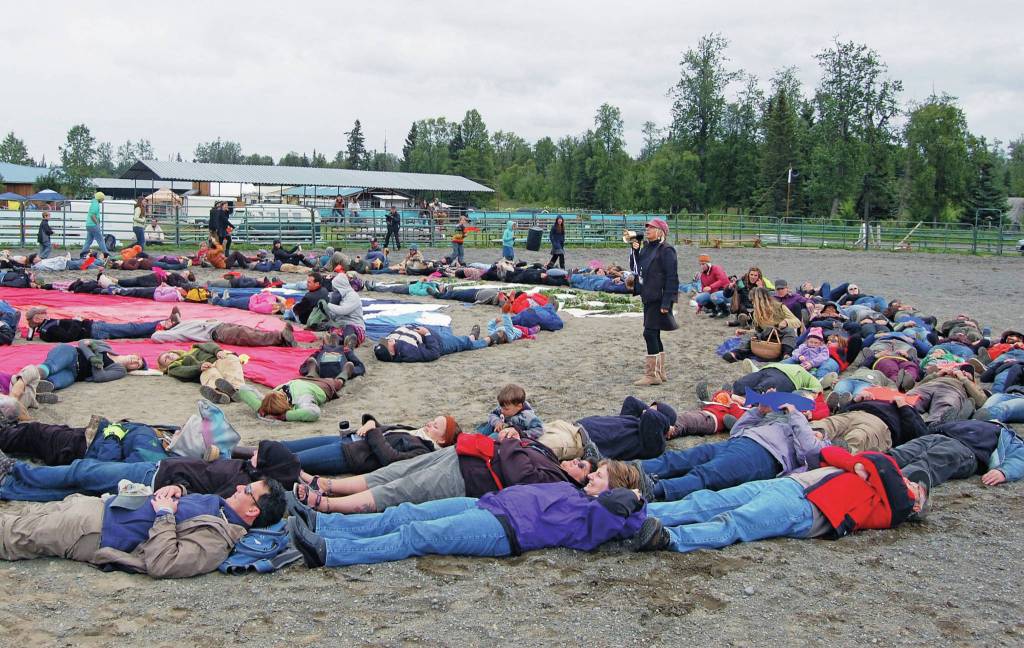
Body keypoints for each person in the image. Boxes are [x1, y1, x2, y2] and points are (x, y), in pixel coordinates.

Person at [288, 462, 646, 569]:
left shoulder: (598, 514)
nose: (591, 475)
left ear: (613, 489)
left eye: (600, 476)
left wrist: (632, 496)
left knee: (417, 535)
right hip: (485, 505)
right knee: (405, 512)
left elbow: (621, 513)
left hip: (502, 530)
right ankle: (325, 522)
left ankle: (331, 551)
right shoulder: (574, 492)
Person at [631, 447, 926, 554]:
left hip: (808, 509)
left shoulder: (894, 505)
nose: (912, 486)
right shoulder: (876, 477)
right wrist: (855, 464)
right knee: (708, 500)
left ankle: (669, 538)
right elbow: (826, 454)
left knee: (736, 523)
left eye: (918, 489)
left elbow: (881, 465)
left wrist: (860, 465)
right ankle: (637, 512)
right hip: (789, 485)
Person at [0, 478, 286, 578]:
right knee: (21, 516)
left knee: (12, 535)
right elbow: (188, 508)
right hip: (100, 507)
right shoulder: (219, 505)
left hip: (93, 530)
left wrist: (164, 514)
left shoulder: (219, 537)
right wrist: (178, 490)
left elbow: (165, 562)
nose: (239, 486)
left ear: (252, 510)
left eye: (247, 489)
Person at [292, 433, 596, 514]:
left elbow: (521, 477)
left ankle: (328, 505)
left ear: (579, 482)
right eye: (581, 461)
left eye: (582, 467)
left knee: (402, 489)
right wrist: (515, 440)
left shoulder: (558, 483)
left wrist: (513, 444)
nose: (576, 462)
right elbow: (520, 451)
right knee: (395, 472)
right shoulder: (553, 462)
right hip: (463, 454)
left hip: (468, 478)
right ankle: (328, 485)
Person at [640, 391, 825, 502]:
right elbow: (737, 430)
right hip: (738, 442)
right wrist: (759, 411)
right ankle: (631, 471)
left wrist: (795, 414)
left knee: (706, 475)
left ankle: (651, 491)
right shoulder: (783, 424)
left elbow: (809, 451)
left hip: (762, 456)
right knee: (682, 458)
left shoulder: (817, 443)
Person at [0, 438, 299, 502]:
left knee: (82, 471)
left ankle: (17, 471)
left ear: (267, 464)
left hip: (152, 478)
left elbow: (202, 494)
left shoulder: (238, 481)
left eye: (262, 453)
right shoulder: (245, 469)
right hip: (156, 470)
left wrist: (180, 486)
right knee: (80, 487)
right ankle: (10, 487)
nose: (254, 452)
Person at [285, 414, 460, 480]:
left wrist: (372, 430)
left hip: (350, 454)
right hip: (350, 439)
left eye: (435, 426)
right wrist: (371, 422)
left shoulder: (423, 451)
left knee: (292, 460)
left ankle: (257, 468)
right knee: (287, 447)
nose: (429, 424)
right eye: (432, 420)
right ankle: (257, 452)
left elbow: (390, 459)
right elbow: (385, 431)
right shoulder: (416, 432)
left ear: (443, 440)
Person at [888, 419, 1024, 488]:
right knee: (903, 452)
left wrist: (1003, 472)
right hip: (938, 436)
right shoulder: (969, 421)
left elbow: (1019, 457)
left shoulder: (1008, 435)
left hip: (967, 450)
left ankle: (893, 485)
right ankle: (871, 467)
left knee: (931, 461)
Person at [628, 219, 679, 386]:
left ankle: (652, 375)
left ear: (660, 231)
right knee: (654, 333)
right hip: (648, 295)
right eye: (647, 228)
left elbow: (672, 278)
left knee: (649, 333)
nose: (648, 230)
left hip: (659, 297)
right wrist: (635, 251)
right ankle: (660, 372)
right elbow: (637, 269)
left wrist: (667, 302)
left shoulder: (667, 250)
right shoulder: (647, 248)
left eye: (651, 227)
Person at [812, 393, 927, 453]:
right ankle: (804, 441)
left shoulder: (908, 408)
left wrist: (904, 407)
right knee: (825, 424)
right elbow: (841, 412)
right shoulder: (873, 396)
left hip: (879, 423)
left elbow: (919, 435)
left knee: (858, 437)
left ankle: (832, 457)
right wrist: (855, 400)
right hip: (854, 412)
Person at [576, 396, 678, 461]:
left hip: (581, 441)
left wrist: (666, 427)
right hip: (577, 427)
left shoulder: (654, 444)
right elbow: (631, 401)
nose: (644, 411)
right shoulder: (637, 422)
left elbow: (650, 416)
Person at [237, 371, 361, 422]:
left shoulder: (302, 399)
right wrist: (260, 408)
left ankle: (346, 372)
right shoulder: (271, 398)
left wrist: (284, 416)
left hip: (321, 386)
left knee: (338, 382)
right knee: (311, 373)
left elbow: (314, 413)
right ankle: (313, 368)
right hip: (301, 381)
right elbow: (244, 389)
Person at [20, 341, 146, 392]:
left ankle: (33, 390)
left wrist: (95, 357)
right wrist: (93, 358)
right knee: (51, 367)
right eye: (137, 359)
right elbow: (82, 343)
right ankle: (34, 374)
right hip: (71, 354)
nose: (134, 361)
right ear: (134, 354)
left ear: (133, 369)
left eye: (137, 365)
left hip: (74, 374)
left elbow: (100, 377)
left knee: (54, 384)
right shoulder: (107, 347)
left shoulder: (120, 370)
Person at [722, 287, 801, 363]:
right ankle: (736, 353)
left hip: (781, 337)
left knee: (789, 330)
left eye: (753, 301)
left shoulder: (780, 306)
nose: (752, 303)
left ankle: (786, 355)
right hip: (766, 337)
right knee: (751, 335)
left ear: (760, 300)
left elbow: (797, 322)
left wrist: (786, 322)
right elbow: (758, 330)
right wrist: (745, 331)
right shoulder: (757, 312)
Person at [24, 306, 180, 342]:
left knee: (131, 332)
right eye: (41, 313)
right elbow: (69, 337)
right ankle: (164, 323)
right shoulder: (48, 330)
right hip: (93, 330)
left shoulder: (46, 327)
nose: (45, 313)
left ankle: (161, 328)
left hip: (93, 328)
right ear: (37, 319)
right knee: (131, 328)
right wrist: (77, 322)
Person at [157, 343, 246, 405]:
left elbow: (209, 345)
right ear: (166, 366)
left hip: (219, 361)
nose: (169, 356)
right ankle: (220, 393)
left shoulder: (194, 348)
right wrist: (199, 367)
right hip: (205, 370)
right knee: (210, 373)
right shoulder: (173, 367)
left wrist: (217, 351)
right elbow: (184, 371)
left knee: (232, 358)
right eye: (166, 359)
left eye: (168, 353)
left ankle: (235, 390)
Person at [372, 324, 491, 363]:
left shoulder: (390, 342)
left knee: (456, 339)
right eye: (387, 344)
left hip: (430, 334)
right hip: (437, 343)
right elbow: (433, 353)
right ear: (391, 352)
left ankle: (471, 337)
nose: (388, 340)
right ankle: (489, 340)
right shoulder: (407, 352)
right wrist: (427, 333)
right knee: (463, 343)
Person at [151, 318, 298, 347]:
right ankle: (280, 337)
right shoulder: (175, 332)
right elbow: (156, 336)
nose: (169, 321)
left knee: (249, 331)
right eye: (166, 323)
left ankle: (282, 339)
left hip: (220, 325)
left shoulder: (181, 323)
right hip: (216, 333)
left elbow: (176, 315)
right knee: (245, 335)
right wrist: (164, 328)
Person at [477, 384, 544, 441]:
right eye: (501, 407)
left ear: (519, 406)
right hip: (500, 427)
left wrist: (521, 433)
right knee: (488, 427)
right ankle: (478, 439)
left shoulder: (528, 416)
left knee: (494, 437)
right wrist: (497, 422)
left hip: (511, 434)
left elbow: (538, 430)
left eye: (506, 409)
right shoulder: (506, 406)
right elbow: (492, 414)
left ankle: (484, 444)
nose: (502, 411)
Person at [79, 192, 111, 258]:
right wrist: (97, 223)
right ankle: (106, 253)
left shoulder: (93, 203)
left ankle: (83, 253)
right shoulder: (95, 204)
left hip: (89, 225)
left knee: (89, 240)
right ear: (100, 198)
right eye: (103, 199)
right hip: (93, 225)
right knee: (100, 240)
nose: (103, 200)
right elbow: (92, 215)